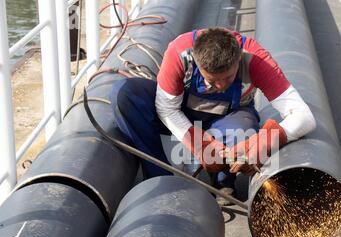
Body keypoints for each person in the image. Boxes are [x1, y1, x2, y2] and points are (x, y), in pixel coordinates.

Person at [110, 27, 316, 205]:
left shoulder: (256, 59)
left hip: (228, 116)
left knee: (241, 135)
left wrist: (264, 142)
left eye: (227, 77)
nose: (219, 85)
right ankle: (159, 179)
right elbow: (166, 109)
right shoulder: (179, 53)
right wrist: (200, 143)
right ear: (198, 63)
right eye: (212, 80)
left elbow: (304, 116)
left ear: (237, 59)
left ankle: (222, 180)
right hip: (182, 111)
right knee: (126, 94)